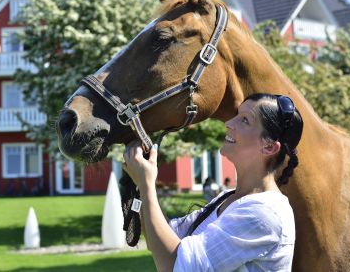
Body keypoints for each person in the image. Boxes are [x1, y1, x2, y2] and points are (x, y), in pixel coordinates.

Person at [123, 93, 303, 272]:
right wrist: (142, 182)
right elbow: (165, 238)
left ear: (269, 147)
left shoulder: (263, 215)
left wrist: (146, 185)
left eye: (245, 120)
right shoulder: (229, 198)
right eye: (237, 115)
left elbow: (175, 266)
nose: (229, 124)